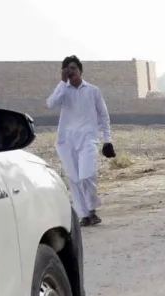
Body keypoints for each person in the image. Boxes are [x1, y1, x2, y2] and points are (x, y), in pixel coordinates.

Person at [45, 55, 115, 226]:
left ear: (81, 70)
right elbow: (50, 104)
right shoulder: (63, 91)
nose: (72, 72)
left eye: (74, 68)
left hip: (88, 139)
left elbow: (103, 116)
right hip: (66, 141)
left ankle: (92, 208)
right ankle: (84, 215)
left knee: (86, 175)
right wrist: (62, 83)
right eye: (68, 69)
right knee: (74, 179)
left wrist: (107, 139)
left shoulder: (93, 91)